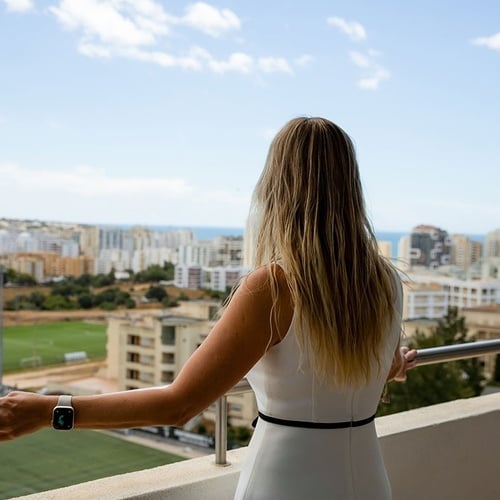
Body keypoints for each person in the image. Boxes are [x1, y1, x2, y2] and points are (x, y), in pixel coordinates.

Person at [0, 117, 417, 499]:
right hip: (367, 479)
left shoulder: (273, 287)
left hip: (285, 480)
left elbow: (179, 404)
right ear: (352, 187)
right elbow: (354, 369)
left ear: (276, 187)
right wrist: (391, 363)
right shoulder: (386, 282)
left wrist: (49, 411)